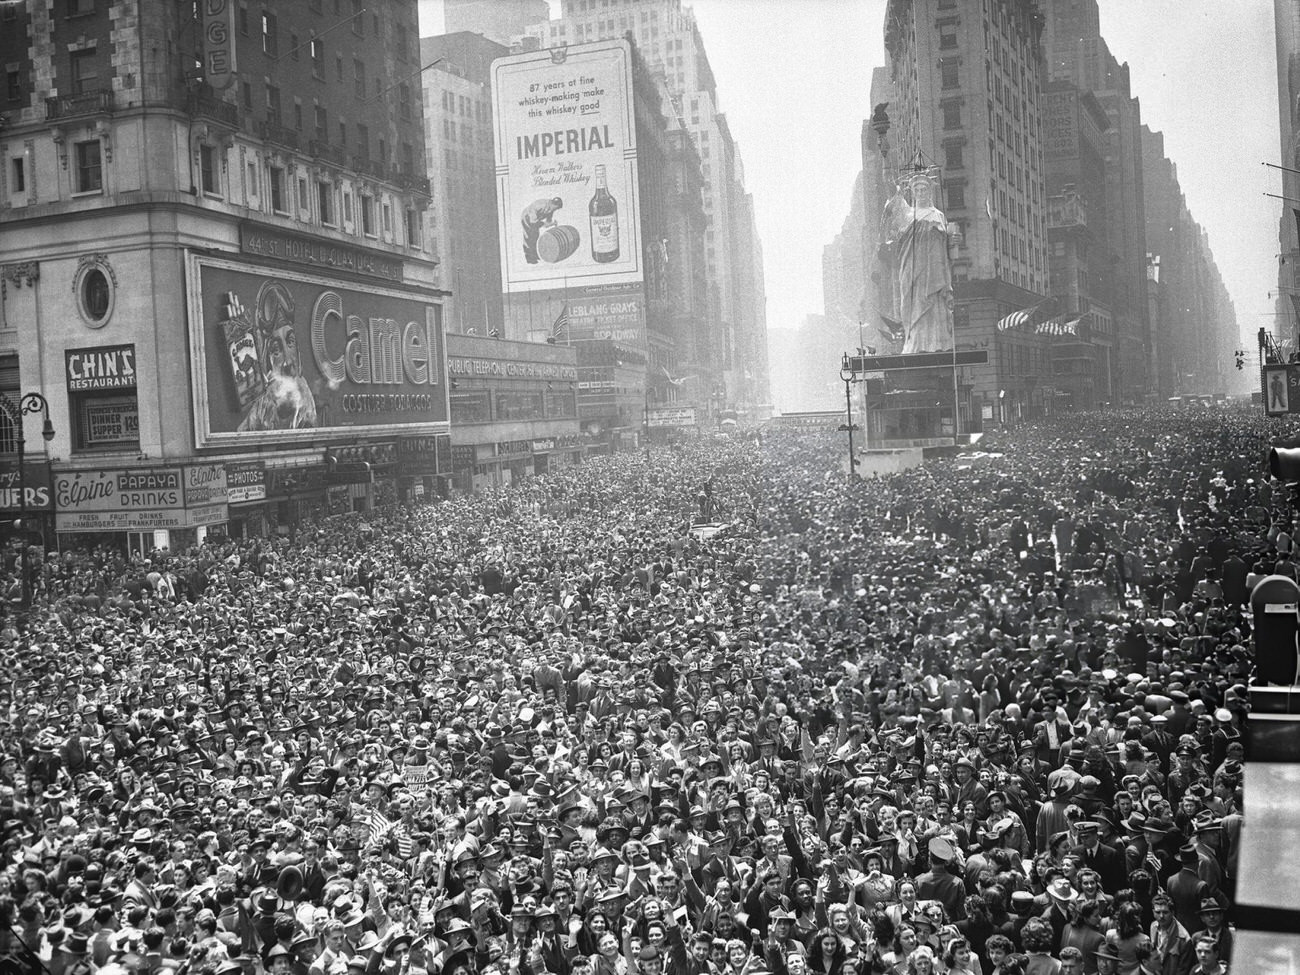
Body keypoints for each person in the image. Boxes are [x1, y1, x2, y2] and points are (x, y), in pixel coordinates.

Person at [879, 171, 960, 354]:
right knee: (913, 305)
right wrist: (885, 159)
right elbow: (891, 190)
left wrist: (954, 241)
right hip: (913, 269)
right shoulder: (907, 215)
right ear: (913, 193)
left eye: (924, 189)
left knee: (935, 306)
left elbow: (950, 250)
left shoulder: (939, 216)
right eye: (917, 190)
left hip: (936, 272)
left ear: (930, 192)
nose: (921, 193)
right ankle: (914, 344)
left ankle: (938, 344)